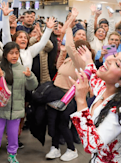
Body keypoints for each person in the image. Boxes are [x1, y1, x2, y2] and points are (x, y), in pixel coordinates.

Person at [45, 8, 92, 161]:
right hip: (57, 92)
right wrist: (63, 53)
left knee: (63, 123)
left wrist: (70, 27)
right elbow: (58, 68)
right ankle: (55, 148)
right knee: (54, 122)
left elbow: (71, 46)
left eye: (81, 49)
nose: (77, 51)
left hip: (69, 96)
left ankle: (71, 149)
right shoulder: (70, 59)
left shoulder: (81, 62)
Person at [0, 42, 38, 163]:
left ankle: (12, 155)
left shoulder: (22, 69)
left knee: (13, 136)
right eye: (11, 53)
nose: (14, 56)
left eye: (17, 53)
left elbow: (33, 86)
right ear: (5, 54)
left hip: (16, 110)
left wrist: (30, 76)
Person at [70, 46, 121, 162]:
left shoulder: (118, 110)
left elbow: (92, 145)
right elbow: (93, 76)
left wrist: (81, 100)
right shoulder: (103, 89)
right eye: (114, 55)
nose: (108, 60)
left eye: (117, 64)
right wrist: (88, 59)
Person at [1, 2, 55, 69]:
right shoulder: (10, 49)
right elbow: (6, 35)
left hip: (26, 79)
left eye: (25, 38)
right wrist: (5, 17)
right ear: (14, 40)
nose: (23, 39)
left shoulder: (29, 51)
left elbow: (42, 43)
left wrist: (48, 29)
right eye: (20, 37)